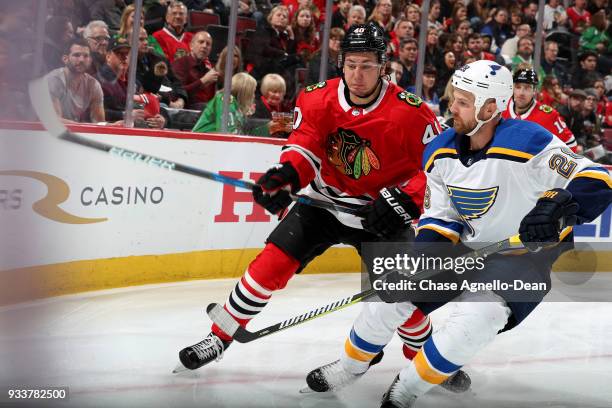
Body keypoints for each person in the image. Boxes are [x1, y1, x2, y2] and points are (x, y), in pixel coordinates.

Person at [176, 24, 470, 394]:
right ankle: (220, 336)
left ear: (384, 66)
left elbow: (437, 167)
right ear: (340, 63)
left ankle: (424, 358)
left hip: (381, 215)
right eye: (350, 64)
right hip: (323, 204)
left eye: (366, 65)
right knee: (269, 265)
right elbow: (305, 147)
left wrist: (405, 199)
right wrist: (284, 176)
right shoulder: (316, 98)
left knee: (399, 297)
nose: (357, 74)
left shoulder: (411, 113)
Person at [304, 59, 612, 407]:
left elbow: (598, 178)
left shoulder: (531, 141)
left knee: (480, 316)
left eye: (464, 101)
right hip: (466, 247)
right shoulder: (439, 151)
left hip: (520, 256)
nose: (453, 106)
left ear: (491, 106)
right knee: (388, 298)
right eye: (454, 97)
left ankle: (405, 389)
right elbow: (441, 218)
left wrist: (555, 204)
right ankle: (349, 367)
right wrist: (415, 261)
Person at [502, 66, 577, 152]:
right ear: (513, 88)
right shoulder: (501, 108)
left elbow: (570, 143)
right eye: (518, 87)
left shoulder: (548, 115)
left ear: (535, 91)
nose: (521, 93)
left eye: (527, 88)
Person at [46, 38, 105, 124]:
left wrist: (113, 125)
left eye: (86, 56)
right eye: (76, 55)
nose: (81, 60)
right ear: (65, 59)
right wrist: (83, 126)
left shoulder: (93, 85)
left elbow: (99, 123)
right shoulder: (53, 80)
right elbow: (54, 120)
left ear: (90, 60)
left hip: (74, 131)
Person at [191, 72, 257, 133]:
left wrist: (243, 113)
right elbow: (227, 131)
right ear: (246, 92)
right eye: (253, 91)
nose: (254, 95)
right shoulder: (225, 99)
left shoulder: (234, 106)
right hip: (200, 141)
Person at [171, 31, 218, 109]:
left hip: (203, 109)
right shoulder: (180, 63)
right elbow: (177, 92)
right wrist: (203, 81)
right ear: (191, 46)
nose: (204, 46)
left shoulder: (207, 68)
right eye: (201, 42)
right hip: (185, 109)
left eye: (208, 44)